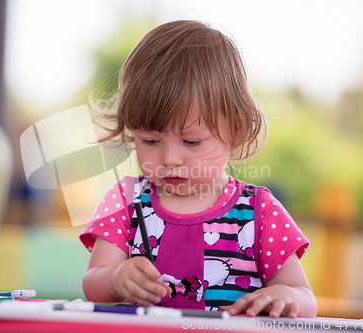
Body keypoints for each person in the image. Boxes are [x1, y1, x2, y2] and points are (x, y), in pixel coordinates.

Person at [79, 20, 317, 318]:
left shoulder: (259, 211)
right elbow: (93, 283)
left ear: (237, 130)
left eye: (191, 141)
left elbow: (304, 296)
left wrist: (282, 296)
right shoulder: (126, 200)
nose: (170, 159)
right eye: (150, 140)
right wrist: (115, 278)